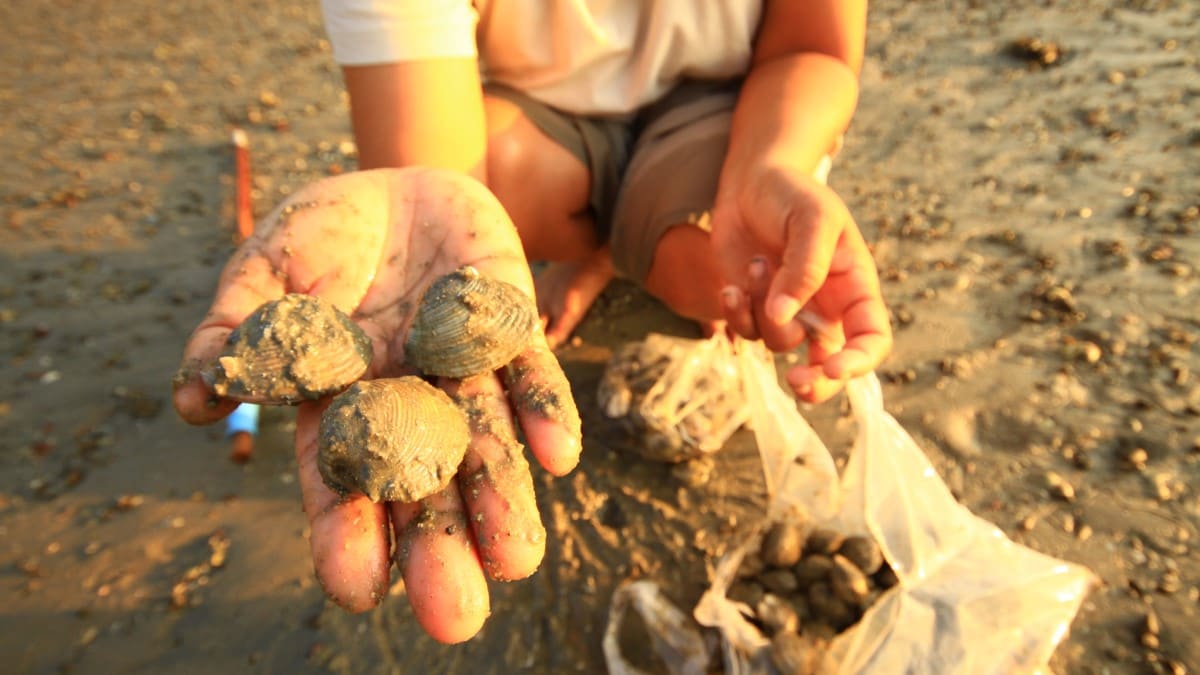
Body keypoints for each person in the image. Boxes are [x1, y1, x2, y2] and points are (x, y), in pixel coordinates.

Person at [174, 0, 892, 645]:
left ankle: (620, 249)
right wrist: (423, 227)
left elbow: (816, 47)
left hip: (725, 114)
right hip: (542, 128)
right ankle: (591, 248)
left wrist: (769, 167)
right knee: (480, 205)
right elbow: (434, 174)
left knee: (727, 273)